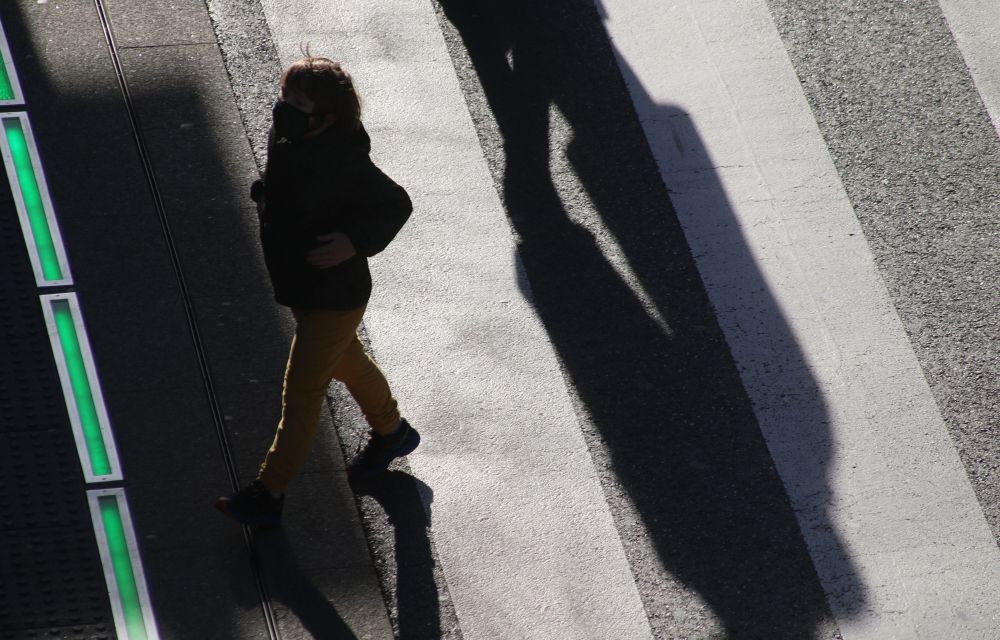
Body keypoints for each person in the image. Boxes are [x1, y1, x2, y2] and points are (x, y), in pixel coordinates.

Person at [216, 57, 418, 527]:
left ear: (325, 117)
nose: (284, 106)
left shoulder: (342, 159)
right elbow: (291, 184)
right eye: (285, 94)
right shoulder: (288, 134)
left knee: (303, 393)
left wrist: (354, 242)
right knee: (347, 362)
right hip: (302, 286)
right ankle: (393, 432)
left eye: (298, 102)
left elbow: (397, 203)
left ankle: (270, 491)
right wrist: (267, 195)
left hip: (334, 296)